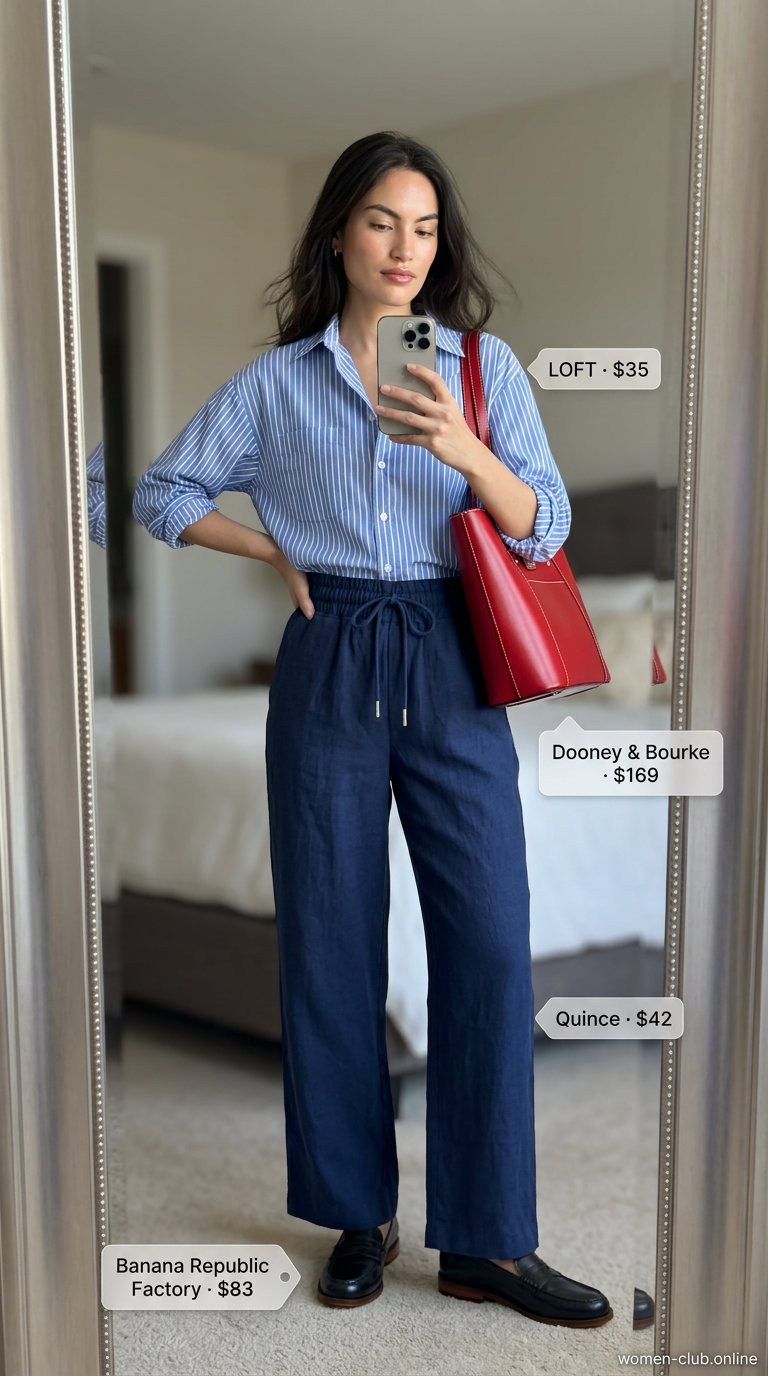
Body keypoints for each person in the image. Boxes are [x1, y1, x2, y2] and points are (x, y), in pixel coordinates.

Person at [132, 130, 614, 1328]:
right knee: (333, 946)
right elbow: (158, 491)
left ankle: (488, 1239)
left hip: (452, 653)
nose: (407, 249)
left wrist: (458, 443)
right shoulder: (276, 384)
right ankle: (360, 1213)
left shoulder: (485, 368)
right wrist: (271, 545)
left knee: (492, 939)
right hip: (332, 650)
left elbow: (544, 525)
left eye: (427, 227)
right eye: (384, 222)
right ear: (341, 232)